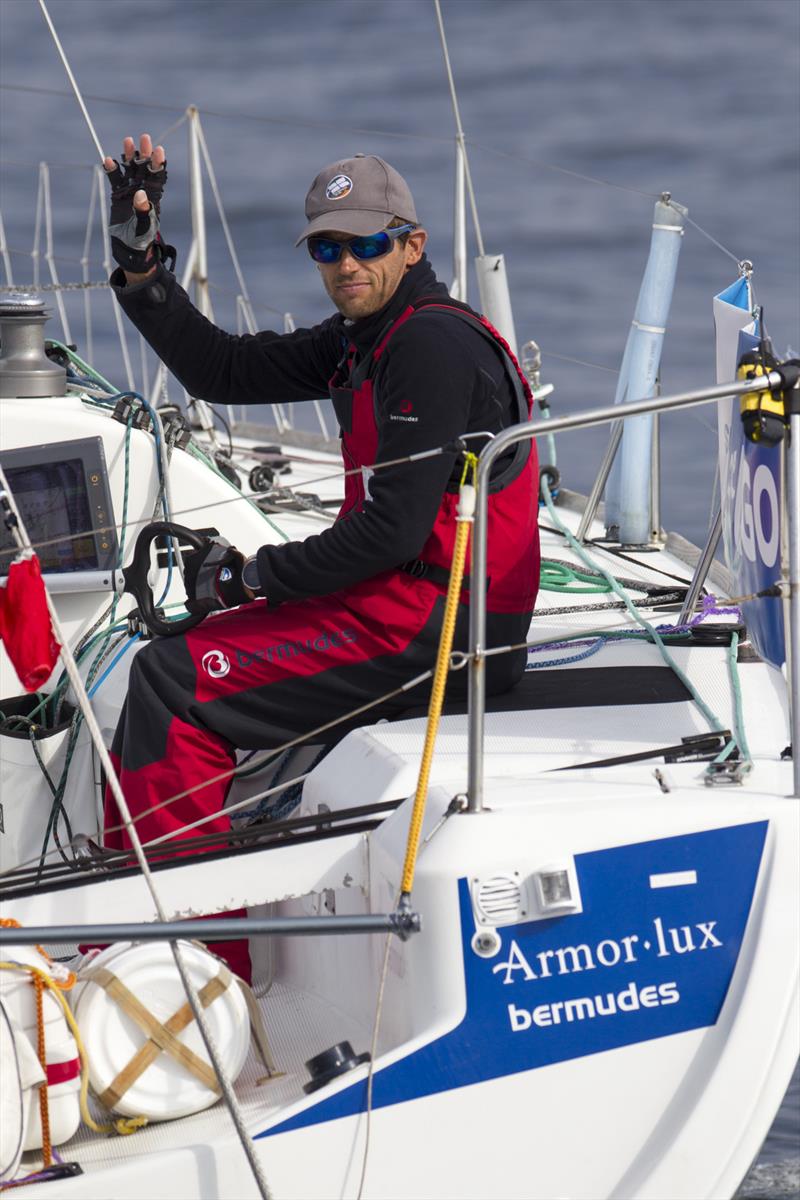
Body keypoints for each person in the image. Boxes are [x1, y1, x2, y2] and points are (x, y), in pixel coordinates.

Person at [102, 135, 541, 976]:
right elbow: (222, 369)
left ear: (412, 245)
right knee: (174, 656)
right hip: (400, 605)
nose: (347, 264)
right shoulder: (367, 334)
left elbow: (392, 535)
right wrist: (139, 258)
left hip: (432, 624)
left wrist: (246, 576)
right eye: (329, 248)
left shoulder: (430, 346)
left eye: (368, 244)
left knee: (173, 680)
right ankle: (152, 913)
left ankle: (191, 971)